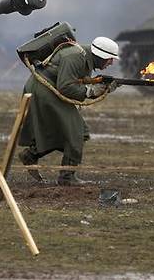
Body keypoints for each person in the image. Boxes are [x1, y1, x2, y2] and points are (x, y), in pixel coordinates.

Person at [18, 36, 119, 186]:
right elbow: (65, 87)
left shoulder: (84, 58)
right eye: (110, 59)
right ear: (101, 56)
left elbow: (78, 82)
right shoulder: (75, 57)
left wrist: (103, 88)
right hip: (43, 89)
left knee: (71, 130)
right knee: (76, 131)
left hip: (47, 88)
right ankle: (66, 177)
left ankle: (31, 155)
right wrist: (91, 92)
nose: (111, 63)